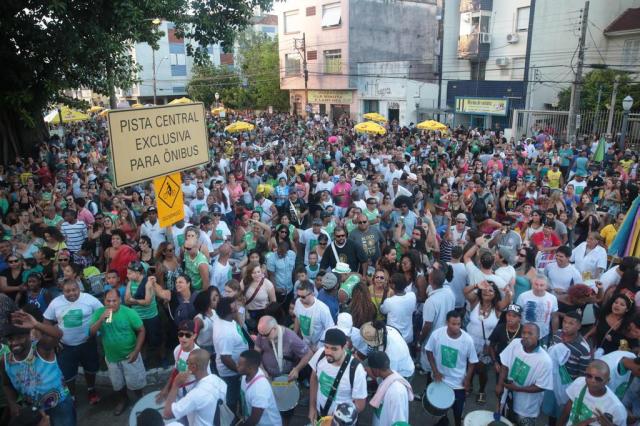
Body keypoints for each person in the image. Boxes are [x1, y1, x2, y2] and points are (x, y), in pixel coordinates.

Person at [1, 309, 75, 426]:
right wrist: (12, 403)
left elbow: (58, 334)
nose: (14, 342)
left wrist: (36, 324)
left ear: (29, 336)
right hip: (33, 410)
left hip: (60, 404)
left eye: (19, 337)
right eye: (10, 339)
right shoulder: (5, 360)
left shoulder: (41, 348)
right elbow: (6, 384)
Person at [43, 279, 102, 404]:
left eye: (74, 290)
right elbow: (46, 321)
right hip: (65, 346)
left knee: (90, 369)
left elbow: (106, 312)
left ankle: (91, 390)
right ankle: (72, 396)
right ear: (62, 291)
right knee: (68, 374)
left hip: (87, 343)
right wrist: (54, 339)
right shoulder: (55, 303)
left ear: (79, 289)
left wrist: (105, 328)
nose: (71, 293)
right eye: (67, 291)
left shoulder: (90, 299)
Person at [89, 289, 146, 416]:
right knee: (118, 384)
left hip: (130, 356)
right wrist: (100, 320)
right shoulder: (100, 313)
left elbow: (141, 330)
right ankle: (123, 401)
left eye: (114, 301)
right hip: (112, 358)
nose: (111, 304)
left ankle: (141, 401)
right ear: (104, 301)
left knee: (136, 383)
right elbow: (91, 333)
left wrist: (136, 351)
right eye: (108, 301)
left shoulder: (129, 312)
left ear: (119, 300)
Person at [425, 309, 478, 426]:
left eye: (459, 324)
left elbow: (473, 362)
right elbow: (428, 351)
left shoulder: (467, 340)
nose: (456, 327)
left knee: (458, 412)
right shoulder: (437, 335)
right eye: (453, 324)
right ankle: (443, 421)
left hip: (458, 384)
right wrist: (435, 371)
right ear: (446, 323)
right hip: (441, 382)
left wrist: (467, 379)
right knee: (441, 409)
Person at [463, 280, 511, 404]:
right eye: (485, 289)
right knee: (469, 366)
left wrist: (507, 291)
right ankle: (469, 385)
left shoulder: (498, 308)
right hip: (469, 341)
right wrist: (476, 285)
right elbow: (465, 291)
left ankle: (481, 390)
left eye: (490, 290)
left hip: (486, 345)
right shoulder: (475, 302)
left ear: (495, 294)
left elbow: (508, 299)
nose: (486, 291)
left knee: (482, 369)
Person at [496, 323, 553, 426]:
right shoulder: (515, 344)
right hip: (508, 399)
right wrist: (500, 384)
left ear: (538, 336)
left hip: (526, 409)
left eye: (530, 333)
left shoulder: (545, 361)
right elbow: (505, 364)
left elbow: (541, 387)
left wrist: (517, 388)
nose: (526, 336)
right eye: (524, 333)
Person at [542, 310, 591, 425]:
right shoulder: (557, 335)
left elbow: (582, 374)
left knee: (563, 413)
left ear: (579, 326)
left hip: (568, 387)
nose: (566, 325)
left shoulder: (583, 348)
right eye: (564, 322)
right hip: (552, 381)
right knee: (550, 410)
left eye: (571, 323)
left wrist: (574, 391)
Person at [308, 329, 367, 423]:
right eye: (326, 347)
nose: (328, 352)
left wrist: (339, 419)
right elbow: (314, 378)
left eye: (334, 349)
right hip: (320, 415)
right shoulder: (320, 354)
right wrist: (312, 407)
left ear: (344, 347)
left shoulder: (356, 369)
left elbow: (360, 404)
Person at [162, 348, 227, 426]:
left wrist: (175, 385)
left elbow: (167, 414)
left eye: (187, 362)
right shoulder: (220, 381)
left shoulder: (195, 395)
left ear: (193, 367)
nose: (186, 365)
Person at [558, 360, 627, 426]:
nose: (592, 381)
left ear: (607, 381)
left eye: (598, 379)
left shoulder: (616, 408)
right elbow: (568, 407)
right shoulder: (579, 382)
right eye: (589, 376)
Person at [212, 296, 249, 413]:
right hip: (231, 374)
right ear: (230, 312)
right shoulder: (224, 333)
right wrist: (239, 370)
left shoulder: (225, 319)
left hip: (236, 370)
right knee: (232, 398)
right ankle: (233, 418)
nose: (238, 308)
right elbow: (225, 358)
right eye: (235, 307)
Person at [255, 315, 313, 380]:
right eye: (260, 334)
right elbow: (257, 349)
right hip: (266, 375)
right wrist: (261, 368)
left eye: (266, 335)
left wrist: (297, 369)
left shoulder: (290, 338)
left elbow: (309, 353)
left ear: (274, 328)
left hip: (283, 377)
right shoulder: (263, 332)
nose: (262, 338)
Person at [237, 349, 282, 426]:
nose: (237, 366)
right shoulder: (245, 376)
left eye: (240, 365)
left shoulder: (260, 389)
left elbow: (253, 420)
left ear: (250, 367)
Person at [367, 350, 413, 426]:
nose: (369, 369)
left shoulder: (397, 392)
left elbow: (400, 423)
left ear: (376, 370)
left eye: (370, 367)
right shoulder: (388, 377)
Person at [515, 274, 559, 343]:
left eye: (541, 285)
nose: (538, 287)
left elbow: (554, 317)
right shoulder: (523, 296)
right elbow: (517, 314)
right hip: (525, 334)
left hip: (543, 335)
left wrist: (555, 334)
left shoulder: (552, 298)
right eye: (536, 284)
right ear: (532, 284)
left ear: (546, 286)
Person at [294, 280, 334, 351]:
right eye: (298, 296)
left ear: (312, 294)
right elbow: (297, 318)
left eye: (303, 297)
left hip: (318, 344)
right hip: (305, 341)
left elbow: (329, 329)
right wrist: (295, 334)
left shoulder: (322, 309)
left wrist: (319, 346)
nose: (300, 299)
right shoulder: (298, 302)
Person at [380, 273, 417, 345]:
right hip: (408, 338)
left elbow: (381, 310)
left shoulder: (389, 301)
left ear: (393, 285)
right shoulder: (412, 295)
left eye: (390, 282)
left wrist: (385, 292)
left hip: (395, 339)